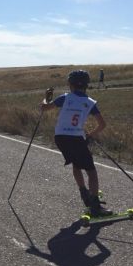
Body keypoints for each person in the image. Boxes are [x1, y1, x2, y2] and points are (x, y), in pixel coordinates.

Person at [41, 70, 112, 217]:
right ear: (86, 85)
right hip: (76, 138)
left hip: (60, 137)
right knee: (91, 172)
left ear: (70, 84)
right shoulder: (90, 102)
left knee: (76, 164)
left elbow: (44, 108)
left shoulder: (65, 97)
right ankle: (95, 206)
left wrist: (46, 98)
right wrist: (90, 135)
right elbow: (102, 124)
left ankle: (83, 192)